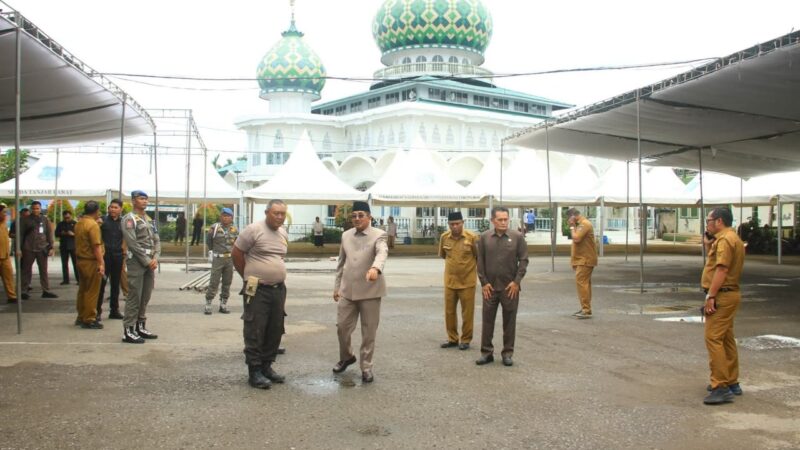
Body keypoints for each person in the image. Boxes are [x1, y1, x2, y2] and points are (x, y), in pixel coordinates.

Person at [232, 199, 289, 389]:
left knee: (275, 328)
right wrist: (248, 276)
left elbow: (279, 258)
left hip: (278, 289)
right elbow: (237, 253)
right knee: (255, 328)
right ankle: (254, 371)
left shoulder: (282, 232)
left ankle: (266, 366)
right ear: (267, 213)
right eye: (276, 213)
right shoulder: (253, 230)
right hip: (256, 288)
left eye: (282, 213)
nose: (280, 217)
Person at [332, 201, 388, 383]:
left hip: (370, 291)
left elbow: (382, 253)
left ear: (369, 217)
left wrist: (375, 269)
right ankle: (347, 357)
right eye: (354, 215)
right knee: (342, 327)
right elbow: (341, 263)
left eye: (361, 215)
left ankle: (366, 367)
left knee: (368, 332)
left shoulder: (379, 235)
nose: (357, 218)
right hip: (347, 291)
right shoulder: (346, 235)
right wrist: (337, 286)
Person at [701, 207, 745, 405]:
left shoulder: (725, 240)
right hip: (728, 294)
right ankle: (731, 380)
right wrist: (708, 245)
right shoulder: (730, 237)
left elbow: (722, 269)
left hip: (723, 294)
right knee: (726, 338)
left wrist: (711, 296)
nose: (707, 224)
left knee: (713, 338)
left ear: (719, 221)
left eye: (709, 220)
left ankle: (720, 385)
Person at [476, 206, 529, 367]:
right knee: (487, 321)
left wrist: (516, 282)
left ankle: (507, 353)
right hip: (490, 288)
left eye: (506, 219)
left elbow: (524, 260)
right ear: (493, 220)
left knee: (509, 321)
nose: (504, 222)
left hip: (510, 288)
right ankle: (486, 353)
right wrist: (484, 283)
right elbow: (480, 263)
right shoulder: (484, 238)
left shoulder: (517, 237)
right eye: (500, 219)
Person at [121, 190, 160, 344]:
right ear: (133, 201)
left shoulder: (149, 219)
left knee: (145, 295)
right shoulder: (129, 219)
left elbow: (157, 240)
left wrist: (155, 258)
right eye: (141, 198)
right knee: (134, 295)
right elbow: (132, 243)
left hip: (150, 261)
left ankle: (140, 325)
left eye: (146, 199)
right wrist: (146, 260)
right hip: (137, 261)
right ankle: (129, 329)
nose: (144, 201)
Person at [438, 211, 478, 350]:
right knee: (449, 312)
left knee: (467, 313)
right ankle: (452, 338)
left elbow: (478, 257)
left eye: (457, 224)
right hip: (450, 281)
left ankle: (466, 339)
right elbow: (443, 255)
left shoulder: (472, 238)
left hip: (467, 282)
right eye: (452, 224)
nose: (454, 227)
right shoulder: (444, 237)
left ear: (463, 222)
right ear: (448, 224)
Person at [74, 201, 105, 329]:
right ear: (96, 211)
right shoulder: (93, 225)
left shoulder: (79, 223)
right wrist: (101, 263)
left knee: (83, 289)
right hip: (91, 261)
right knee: (92, 291)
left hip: (80, 259)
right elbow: (96, 246)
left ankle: (81, 315)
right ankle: (90, 318)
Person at [20, 201, 57, 300]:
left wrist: (51, 247)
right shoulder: (25, 220)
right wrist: (19, 248)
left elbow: (49, 233)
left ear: (40, 209)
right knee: (26, 270)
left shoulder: (44, 220)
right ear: (31, 209)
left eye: (37, 208)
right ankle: (24, 290)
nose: (36, 210)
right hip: (28, 248)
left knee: (43, 270)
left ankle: (46, 290)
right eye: (34, 208)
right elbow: (21, 234)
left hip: (42, 248)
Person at [205, 207, 238, 315]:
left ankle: (223, 304)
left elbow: (237, 243)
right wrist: (211, 251)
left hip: (229, 259)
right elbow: (209, 240)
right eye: (224, 216)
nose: (226, 218)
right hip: (218, 258)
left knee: (227, 282)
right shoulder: (214, 227)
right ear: (221, 217)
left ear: (232, 218)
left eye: (228, 216)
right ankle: (208, 304)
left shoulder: (234, 229)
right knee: (214, 281)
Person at [566, 208, 597, 319]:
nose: (568, 221)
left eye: (569, 218)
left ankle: (586, 309)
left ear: (573, 216)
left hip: (585, 259)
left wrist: (571, 226)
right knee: (584, 284)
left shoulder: (584, 224)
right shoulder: (581, 224)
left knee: (582, 283)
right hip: (582, 259)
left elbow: (576, 238)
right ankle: (585, 307)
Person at [97, 199, 125, 320]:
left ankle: (114, 310)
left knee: (115, 284)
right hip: (105, 256)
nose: (113, 209)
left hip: (118, 256)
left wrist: (124, 250)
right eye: (111, 207)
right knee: (101, 284)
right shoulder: (102, 221)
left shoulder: (123, 222)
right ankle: (97, 311)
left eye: (115, 207)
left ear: (121, 209)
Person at [55, 210, 79, 285]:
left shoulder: (75, 224)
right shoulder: (60, 224)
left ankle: (79, 280)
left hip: (73, 246)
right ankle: (66, 280)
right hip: (64, 246)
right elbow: (56, 234)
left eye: (68, 217)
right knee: (64, 264)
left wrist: (73, 234)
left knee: (76, 264)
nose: (67, 219)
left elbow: (80, 235)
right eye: (65, 218)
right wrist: (62, 233)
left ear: (71, 216)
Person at [0, 204, 17, 303]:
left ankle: (12, 296)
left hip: (5, 256)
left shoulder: (4, 224)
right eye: (4, 212)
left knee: (9, 277)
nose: (5, 215)